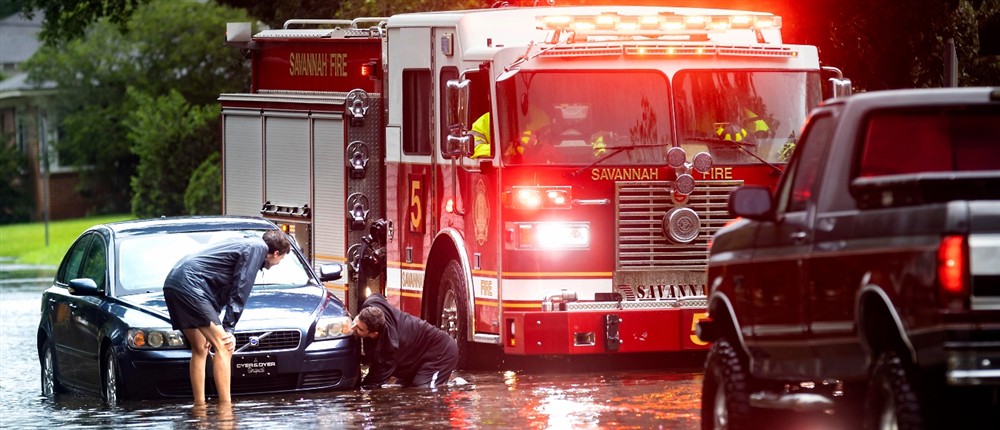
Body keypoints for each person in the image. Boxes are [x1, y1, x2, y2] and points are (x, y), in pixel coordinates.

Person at [163, 230, 291, 404]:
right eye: (281, 259)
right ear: (276, 253)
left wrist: (215, 321)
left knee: (200, 348)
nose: (278, 263)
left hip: (174, 282)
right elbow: (241, 287)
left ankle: (200, 407)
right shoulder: (257, 248)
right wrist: (228, 327)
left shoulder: (246, 243)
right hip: (191, 285)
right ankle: (226, 408)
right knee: (225, 346)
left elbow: (218, 286)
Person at [351, 293, 458, 389]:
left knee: (424, 392)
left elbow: (372, 382)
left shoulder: (388, 350)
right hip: (415, 355)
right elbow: (377, 295)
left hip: (442, 352)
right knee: (402, 389)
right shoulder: (372, 302)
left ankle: (457, 388)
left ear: (374, 334)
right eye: (356, 320)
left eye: (360, 329)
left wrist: (359, 397)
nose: (353, 327)